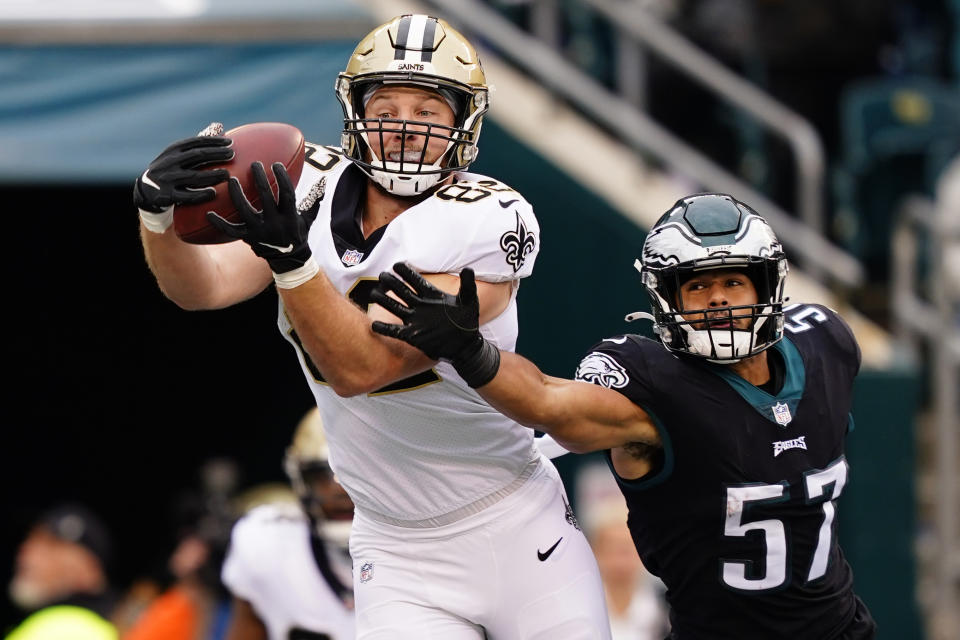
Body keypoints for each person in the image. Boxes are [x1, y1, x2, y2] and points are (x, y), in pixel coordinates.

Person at [134, 13, 611, 639]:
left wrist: (292, 262)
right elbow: (202, 288)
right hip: (395, 545)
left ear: (463, 123)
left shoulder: (489, 217)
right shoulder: (309, 188)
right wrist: (158, 219)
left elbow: (362, 368)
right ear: (353, 108)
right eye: (386, 104)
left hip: (515, 522)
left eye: (428, 109)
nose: (404, 126)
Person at [370, 192, 879, 639]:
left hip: (841, 627)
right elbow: (551, 401)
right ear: (665, 298)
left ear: (767, 286)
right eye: (697, 287)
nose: (719, 298)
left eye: (733, 281)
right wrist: (470, 351)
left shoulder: (824, 345)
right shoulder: (655, 385)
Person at [219, 407, 355, 640]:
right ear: (300, 480)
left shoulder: (432, 545)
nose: (340, 491)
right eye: (324, 477)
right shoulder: (267, 544)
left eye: (357, 474)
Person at [5, 503, 118, 640]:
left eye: (50, 546)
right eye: (32, 541)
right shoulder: (45, 622)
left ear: (89, 570)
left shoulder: (69, 629)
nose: (27, 554)